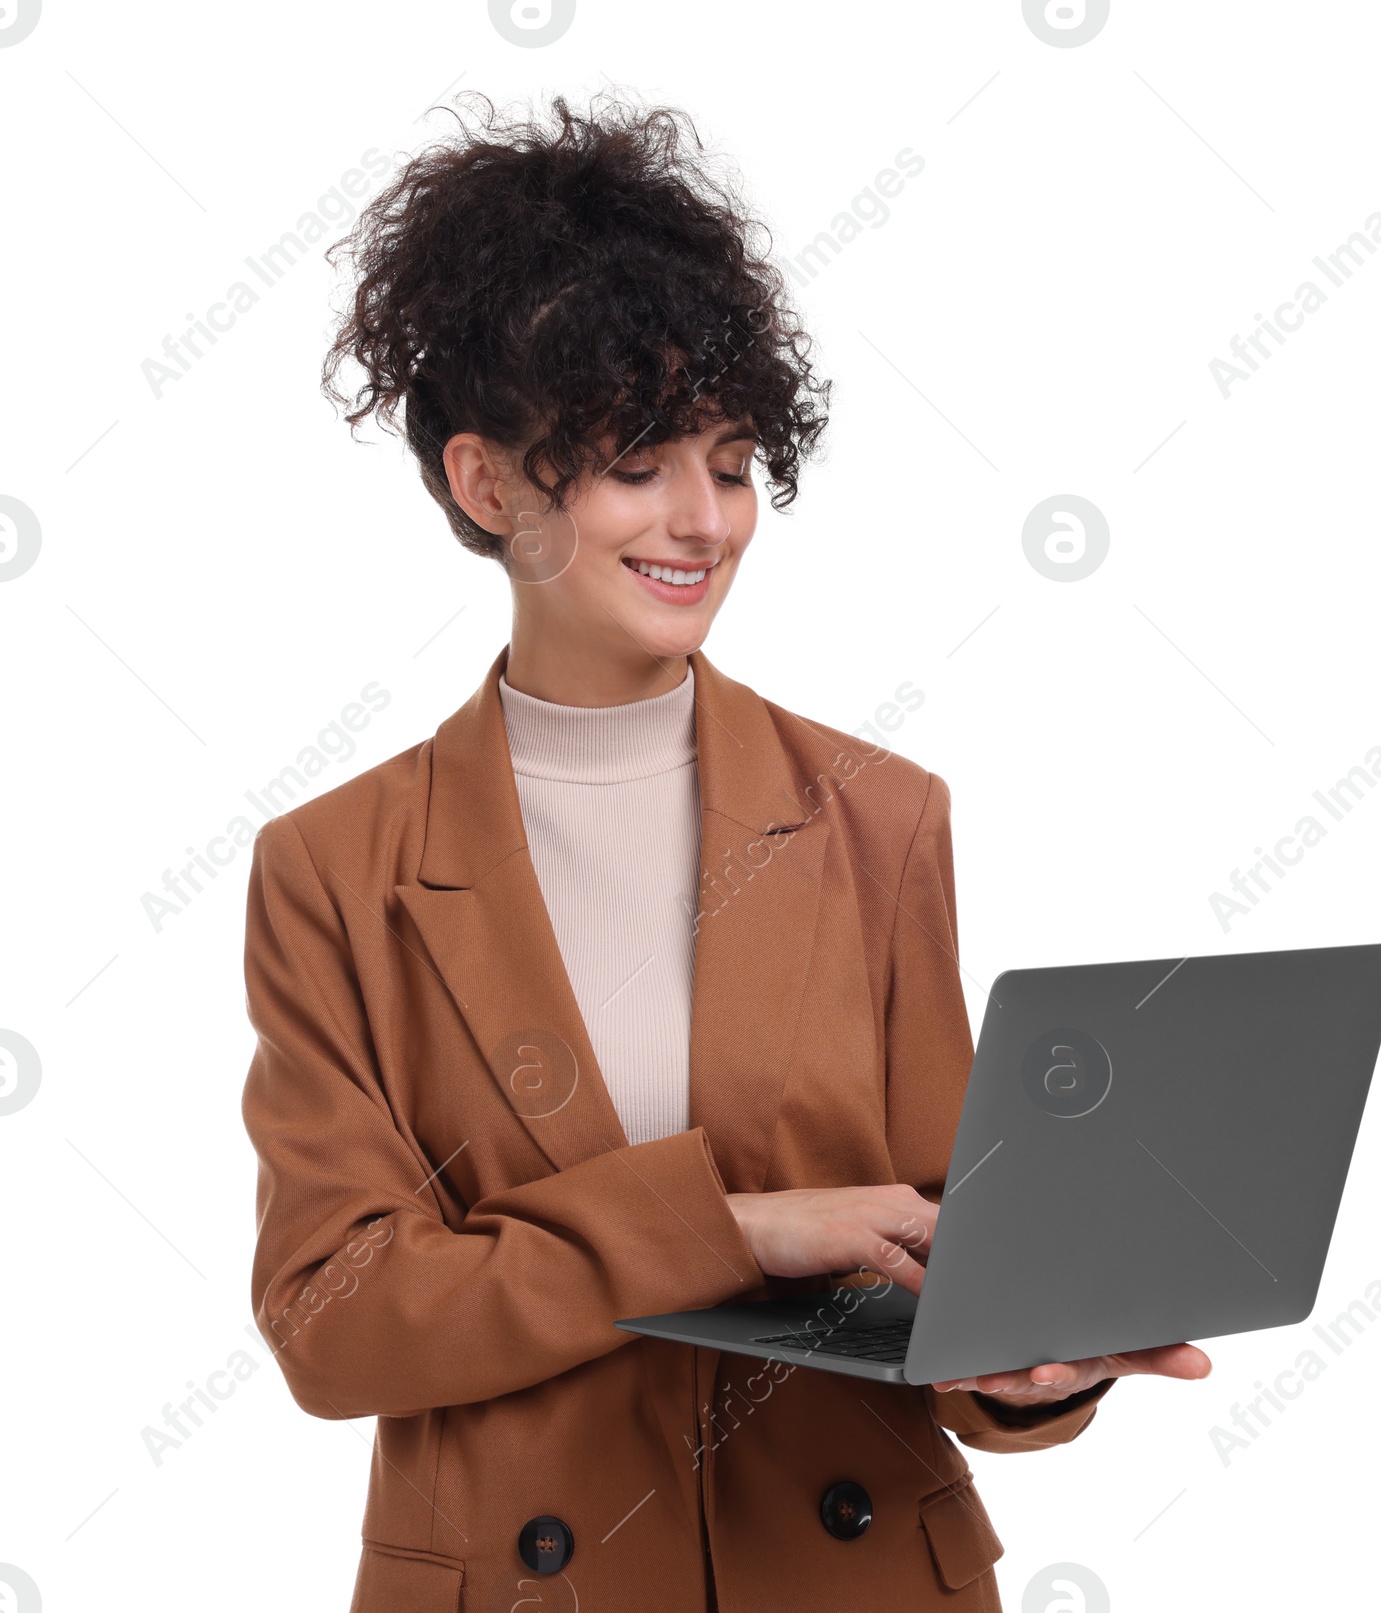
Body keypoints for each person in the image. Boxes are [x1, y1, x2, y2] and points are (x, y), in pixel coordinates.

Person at [241, 90, 1209, 1613]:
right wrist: (733, 1228)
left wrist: (1031, 1365)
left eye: (737, 459)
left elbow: (947, 1266)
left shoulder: (881, 814)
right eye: (638, 465)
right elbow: (339, 1319)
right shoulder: (337, 868)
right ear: (486, 482)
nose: (706, 520)